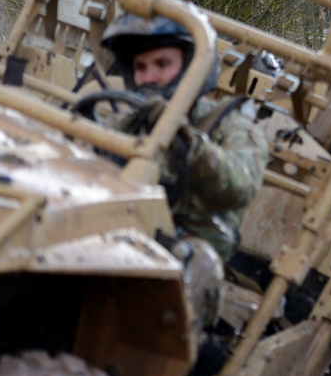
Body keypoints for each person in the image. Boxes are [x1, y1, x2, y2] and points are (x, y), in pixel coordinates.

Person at [101, 14, 270, 263]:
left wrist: (187, 141)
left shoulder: (229, 124)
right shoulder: (129, 121)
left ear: (193, 66)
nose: (149, 78)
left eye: (162, 64)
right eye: (140, 67)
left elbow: (240, 185)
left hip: (185, 254)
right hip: (115, 229)